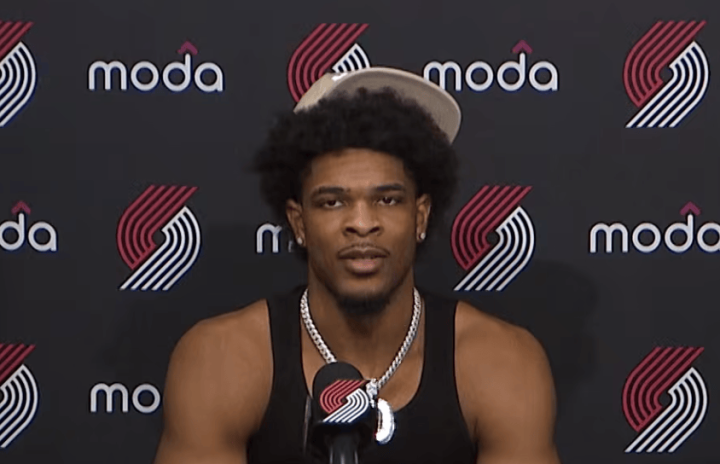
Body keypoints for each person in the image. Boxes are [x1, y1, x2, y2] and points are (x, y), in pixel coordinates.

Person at [153, 67, 561, 464]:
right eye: (333, 202)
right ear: (299, 223)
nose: (362, 223)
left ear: (420, 217)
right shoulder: (222, 358)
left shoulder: (501, 361)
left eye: (387, 200)